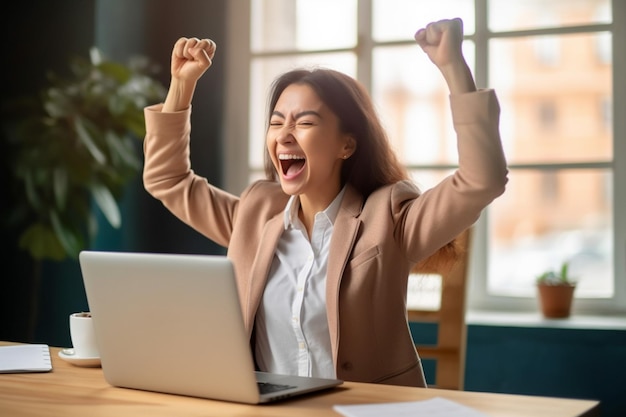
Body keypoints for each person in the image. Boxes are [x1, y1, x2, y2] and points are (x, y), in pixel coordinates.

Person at [142, 18, 508, 387]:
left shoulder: (389, 215)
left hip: (367, 411)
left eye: (305, 122)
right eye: (276, 122)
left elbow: (481, 181)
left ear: (346, 145)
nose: (284, 135)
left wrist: (453, 68)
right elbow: (167, 179)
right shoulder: (257, 211)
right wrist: (182, 85)